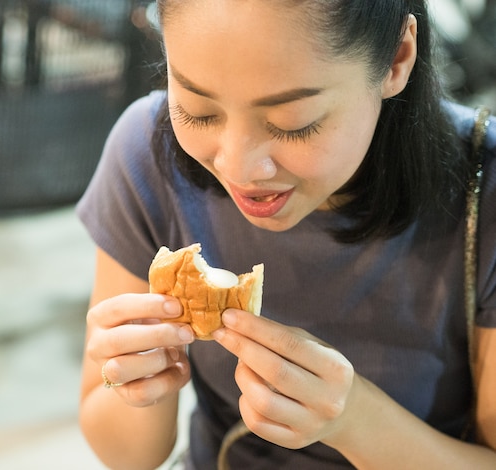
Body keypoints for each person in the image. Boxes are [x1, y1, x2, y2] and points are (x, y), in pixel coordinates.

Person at [76, 1, 496, 468]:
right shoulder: (148, 154)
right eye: (199, 111)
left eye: (293, 123)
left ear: (397, 57)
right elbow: (128, 456)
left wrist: (355, 420)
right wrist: (135, 383)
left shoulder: (485, 196)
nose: (239, 168)